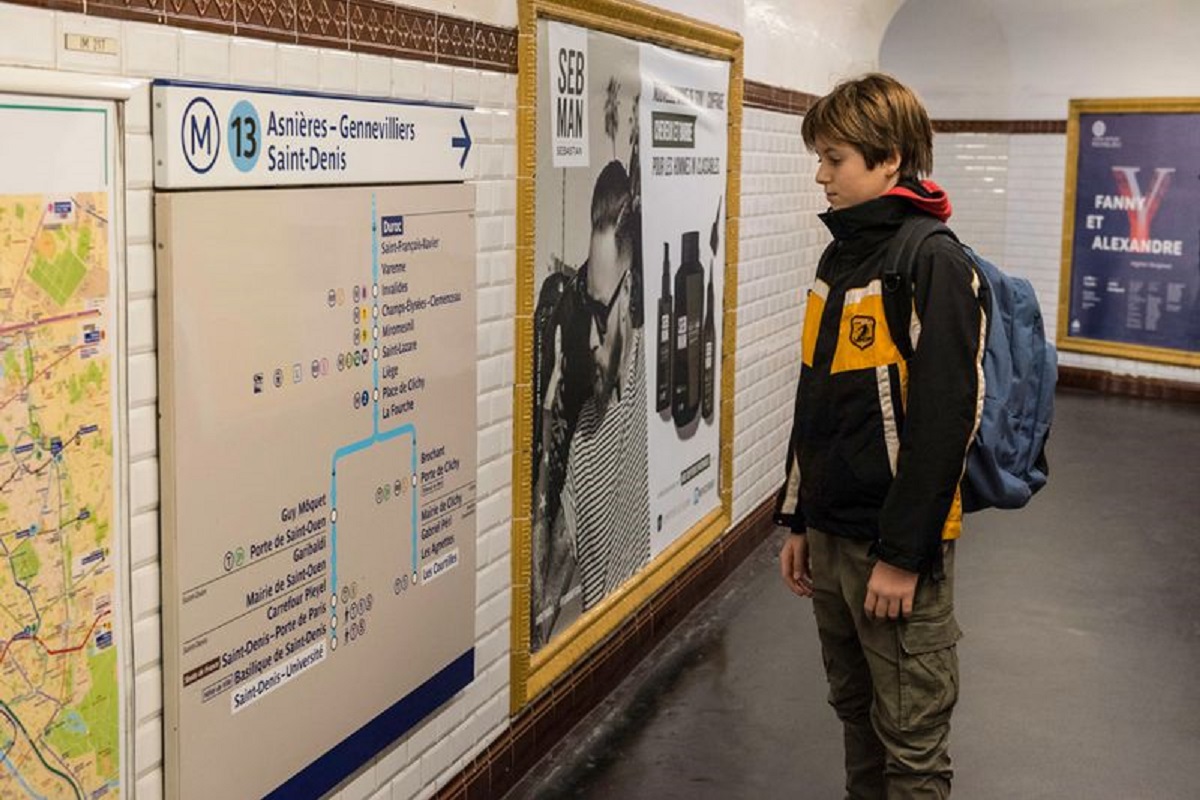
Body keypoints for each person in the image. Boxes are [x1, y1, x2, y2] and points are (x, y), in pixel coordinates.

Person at [775, 73, 986, 798]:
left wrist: (902, 556)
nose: (821, 173)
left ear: (888, 159)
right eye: (821, 157)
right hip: (833, 539)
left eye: (835, 158)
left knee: (912, 744)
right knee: (857, 717)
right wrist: (801, 518)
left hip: (893, 551)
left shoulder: (933, 262)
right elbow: (817, 400)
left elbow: (944, 423)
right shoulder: (838, 259)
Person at [531, 159, 650, 651]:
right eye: (589, 310)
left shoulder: (653, 395)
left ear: (635, 293)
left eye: (603, 313)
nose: (593, 340)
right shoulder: (587, 426)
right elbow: (562, 539)